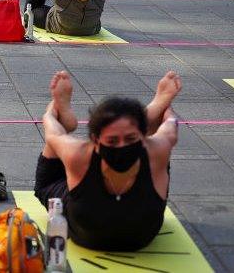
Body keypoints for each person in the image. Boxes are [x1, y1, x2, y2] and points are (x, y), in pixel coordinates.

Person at [36, 69, 180, 251]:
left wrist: (50, 114)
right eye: (112, 141)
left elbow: (54, 134)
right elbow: (170, 126)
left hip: (91, 229)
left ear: (143, 137)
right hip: (140, 234)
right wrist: (165, 108)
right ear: (95, 141)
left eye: (129, 139)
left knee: (55, 153)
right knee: (155, 146)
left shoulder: (78, 154)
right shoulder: (78, 154)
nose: (121, 146)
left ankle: (147, 115)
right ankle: (148, 115)